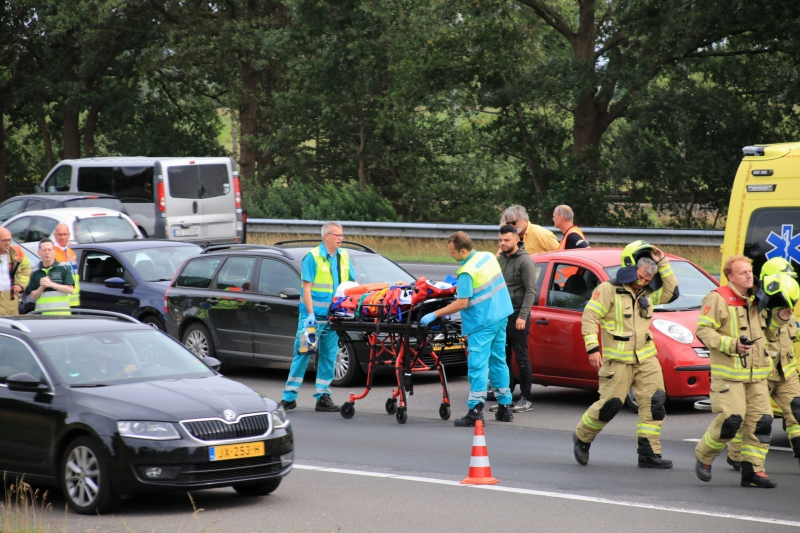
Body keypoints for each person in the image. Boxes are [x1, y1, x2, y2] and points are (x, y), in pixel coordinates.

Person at [573, 241, 678, 468]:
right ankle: (582, 437)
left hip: (645, 358)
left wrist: (663, 263)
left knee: (655, 401)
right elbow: (590, 318)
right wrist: (592, 348)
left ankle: (649, 453)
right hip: (617, 361)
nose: (645, 281)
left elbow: (672, 292)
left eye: (649, 278)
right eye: (641, 276)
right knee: (610, 405)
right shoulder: (608, 289)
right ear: (631, 268)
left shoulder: (648, 293)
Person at [694, 255, 779, 488]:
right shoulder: (718, 298)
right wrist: (731, 344)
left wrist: (779, 320)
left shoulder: (758, 298)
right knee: (733, 420)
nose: (749, 275)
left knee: (761, 421)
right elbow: (703, 331)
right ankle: (704, 455)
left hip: (757, 374)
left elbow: (768, 334)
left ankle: (753, 471)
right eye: (743, 273)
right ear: (730, 277)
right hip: (730, 374)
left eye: (750, 271)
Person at [421, 231, 514, 426]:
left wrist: (434, 314)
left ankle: (475, 410)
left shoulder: (466, 272)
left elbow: (461, 304)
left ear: (463, 250)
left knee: (477, 366)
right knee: (498, 361)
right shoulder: (487, 257)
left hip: (482, 323)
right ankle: (505, 408)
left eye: (453, 252)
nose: (451, 256)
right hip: (501, 315)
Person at [279, 222, 356, 412]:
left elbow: (352, 283)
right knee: (303, 355)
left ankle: (323, 397)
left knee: (330, 356)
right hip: (313, 319)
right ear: (326, 236)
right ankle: (288, 397)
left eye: (342, 235)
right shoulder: (312, 257)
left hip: (333, 318)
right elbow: (306, 288)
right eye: (337, 235)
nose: (340, 238)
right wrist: (311, 315)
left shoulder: (344, 256)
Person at [489, 224, 537, 413]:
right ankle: (505, 398)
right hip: (502, 315)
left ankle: (526, 398)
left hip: (518, 315)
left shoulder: (525, 261)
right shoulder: (500, 259)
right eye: (500, 240)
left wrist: (523, 316)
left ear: (517, 239)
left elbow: (531, 290)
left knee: (522, 358)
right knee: (503, 358)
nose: (502, 243)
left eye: (506, 240)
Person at [26, 239, 74, 315]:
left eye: (49, 250)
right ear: (39, 253)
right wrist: (42, 287)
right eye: (44, 250)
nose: (47, 252)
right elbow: (33, 297)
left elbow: (70, 289)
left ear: (54, 252)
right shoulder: (35, 272)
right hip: (43, 317)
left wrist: (51, 284)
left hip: (63, 315)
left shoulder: (63, 268)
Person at [0, 227, 31, 316]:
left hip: (12, 300)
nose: (7, 243)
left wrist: (21, 284)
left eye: (9, 240)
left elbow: (27, 269)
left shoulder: (16, 253)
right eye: (4, 240)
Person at [53, 223, 80, 308]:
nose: (62, 237)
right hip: (62, 302)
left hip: (74, 301)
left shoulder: (70, 252)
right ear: (54, 235)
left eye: (65, 234)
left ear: (69, 235)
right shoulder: (52, 253)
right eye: (59, 235)